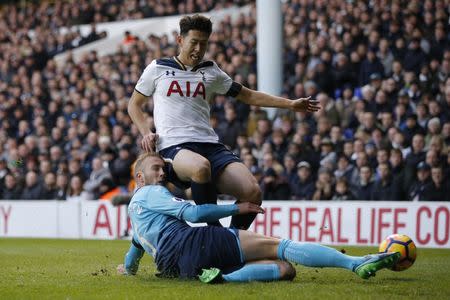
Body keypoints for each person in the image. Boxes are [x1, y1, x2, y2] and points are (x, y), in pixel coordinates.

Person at [127, 15, 320, 229]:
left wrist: (290, 104)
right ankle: (215, 234)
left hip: (210, 144)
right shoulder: (158, 68)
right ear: (180, 40)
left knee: (253, 192)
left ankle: (233, 242)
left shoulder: (211, 71)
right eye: (194, 42)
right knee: (201, 167)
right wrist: (146, 131)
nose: (199, 49)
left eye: (204, 43)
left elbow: (248, 95)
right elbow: (134, 105)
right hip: (174, 146)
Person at [117, 153, 400, 283]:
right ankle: (355, 264)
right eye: (156, 168)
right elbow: (192, 213)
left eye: (163, 169)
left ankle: (222, 278)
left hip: (182, 268)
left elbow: (133, 255)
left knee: (284, 269)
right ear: (139, 177)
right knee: (280, 245)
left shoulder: (136, 215)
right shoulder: (150, 192)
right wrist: (235, 209)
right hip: (193, 244)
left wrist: (126, 271)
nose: (163, 173)